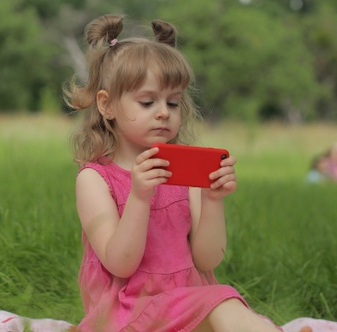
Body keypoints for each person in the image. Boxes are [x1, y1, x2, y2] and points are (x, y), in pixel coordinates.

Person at [63, 15, 304, 332]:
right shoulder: (95, 180)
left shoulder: (184, 174)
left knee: (223, 304)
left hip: (186, 307)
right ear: (107, 105)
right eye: (147, 102)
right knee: (224, 302)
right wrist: (139, 197)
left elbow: (208, 260)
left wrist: (213, 200)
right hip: (128, 315)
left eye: (173, 103)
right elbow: (120, 262)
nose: (163, 112)